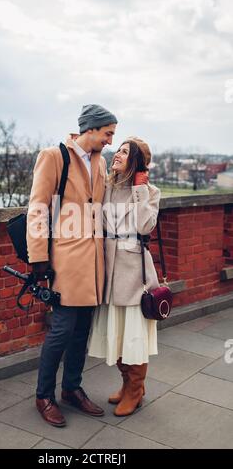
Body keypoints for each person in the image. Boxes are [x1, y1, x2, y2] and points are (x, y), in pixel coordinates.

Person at [26, 104, 118, 427]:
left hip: (93, 267)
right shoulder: (54, 157)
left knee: (81, 332)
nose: (110, 141)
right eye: (107, 133)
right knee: (61, 331)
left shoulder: (100, 163)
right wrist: (38, 261)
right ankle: (43, 395)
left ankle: (72, 389)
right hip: (63, 264)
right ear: (90, 129)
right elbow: (37, 209)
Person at [88, 137, 161, 417]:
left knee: (133, 336)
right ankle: (127, 383)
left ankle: (135, 390)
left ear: (137, 162)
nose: (117, 154)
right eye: (117, 149)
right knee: (115, 334)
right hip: (109, 266)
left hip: (133, 271)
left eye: (124, 152)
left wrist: (141, 188)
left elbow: (145, 225)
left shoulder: (150, 192)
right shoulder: (109, 186)